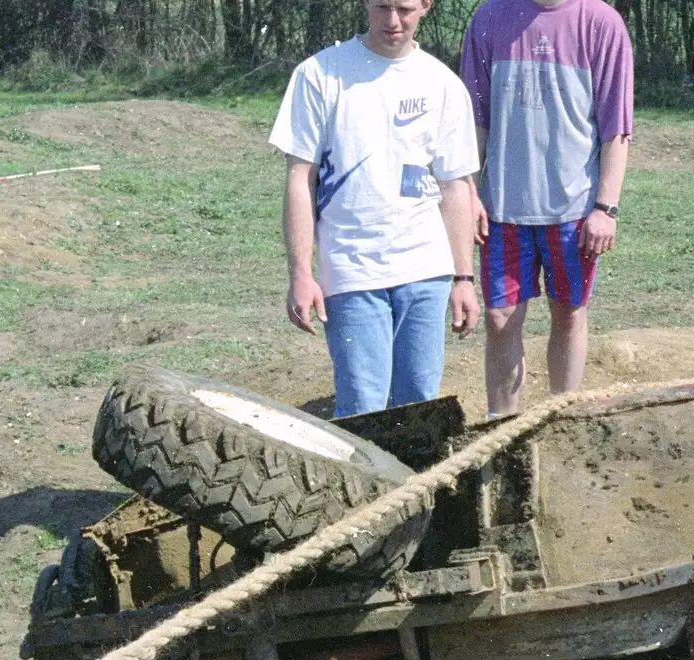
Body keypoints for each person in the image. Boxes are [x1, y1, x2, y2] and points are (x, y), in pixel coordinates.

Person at [270, 0, 481, 418]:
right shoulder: (319, 75)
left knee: (420, 403)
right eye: (381, 6)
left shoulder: (443, 84)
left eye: (404, 8)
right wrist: (301, 275)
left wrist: (463, 278)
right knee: (362, 407)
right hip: (351, 270)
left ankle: (415, 485)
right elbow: (300, 180)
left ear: (426, 6)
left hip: (425, 271)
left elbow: (455, 186)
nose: (392, 21)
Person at [459, 0, 634, 415]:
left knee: (569, 314)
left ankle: (562, 417)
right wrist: (468, 193)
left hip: (574, 210)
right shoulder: (488, 18)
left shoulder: (601, 23)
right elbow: (473, 121)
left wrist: (605, 208)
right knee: (500, 320)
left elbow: (616, 128)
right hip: (502, 208)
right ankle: (500, 427)